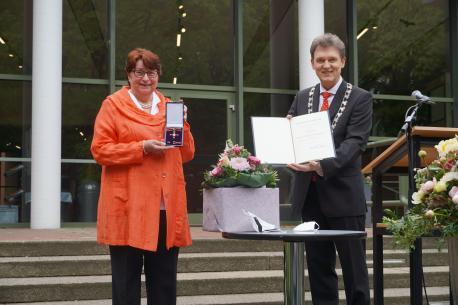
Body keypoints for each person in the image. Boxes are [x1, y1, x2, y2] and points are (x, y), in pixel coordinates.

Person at [91, 48, 195, 305]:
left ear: (158, 75)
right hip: (129, 208)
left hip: (164, 210)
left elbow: (187, 153)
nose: (146, 78)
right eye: (139, 72)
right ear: (128, 75)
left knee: (164, 285)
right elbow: (100, 150)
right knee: (126, 287)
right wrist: (141, 148)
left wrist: (183, 124)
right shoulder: (113, 105)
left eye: (152, 73)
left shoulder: (170, 107)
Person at [286, 33, 372, 305]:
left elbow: (355, 142)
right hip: (309, 196)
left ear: (343, 61)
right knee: (319, 269)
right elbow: (291, 134)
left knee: (355, 272)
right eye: (320, 60)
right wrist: (287, 145)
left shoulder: (360, 98)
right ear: (312, 63)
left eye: (332, 59)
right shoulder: (302, 97)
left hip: (344, 197)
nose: (326, 65)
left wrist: (323, 166)